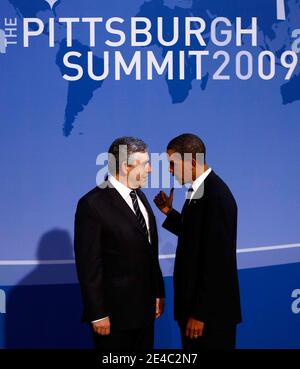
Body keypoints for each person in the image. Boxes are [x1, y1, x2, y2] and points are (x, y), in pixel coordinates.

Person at [74, 137, 165, 350]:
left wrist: (158, 292)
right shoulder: (92, 204)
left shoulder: (141, 197)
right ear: (125, 166)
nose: (151, 169)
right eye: (145, 163)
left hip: (145, 313)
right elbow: (89, 265)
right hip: (114, 317)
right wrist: (97, 314)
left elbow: (150, 252)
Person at [154, 133, 241, 349]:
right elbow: (197, 236)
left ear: (192, 162)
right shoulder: (201, 190)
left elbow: (217, 261)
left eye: (173, 164)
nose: (170, 170)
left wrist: (200, 313)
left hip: (208, 317)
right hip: (196, 311)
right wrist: (169, 213)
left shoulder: (216, 195)